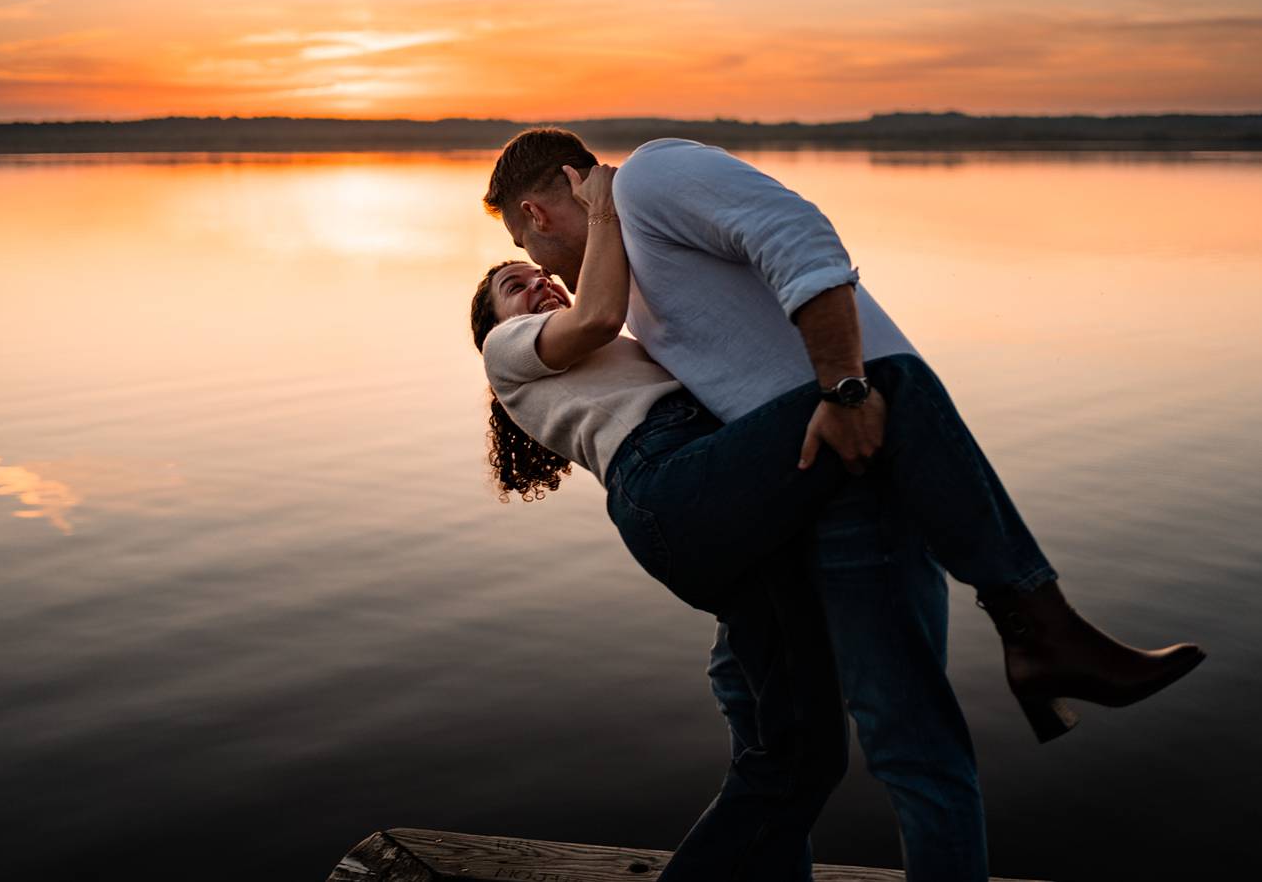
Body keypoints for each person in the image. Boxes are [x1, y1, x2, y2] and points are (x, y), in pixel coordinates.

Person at [473, 137, 1206, 881]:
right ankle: (1040, 624)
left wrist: (842, 389)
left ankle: (1040, 633)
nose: (535, 271)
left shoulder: (650, 184)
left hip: (807, 476)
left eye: (523, 249)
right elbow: (615, 338)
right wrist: (848, 388)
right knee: (891, 390)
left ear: (534, 209)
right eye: (513, 270)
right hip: (740, 480)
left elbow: (794, 243)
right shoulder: (567, 322)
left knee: (798, 747)